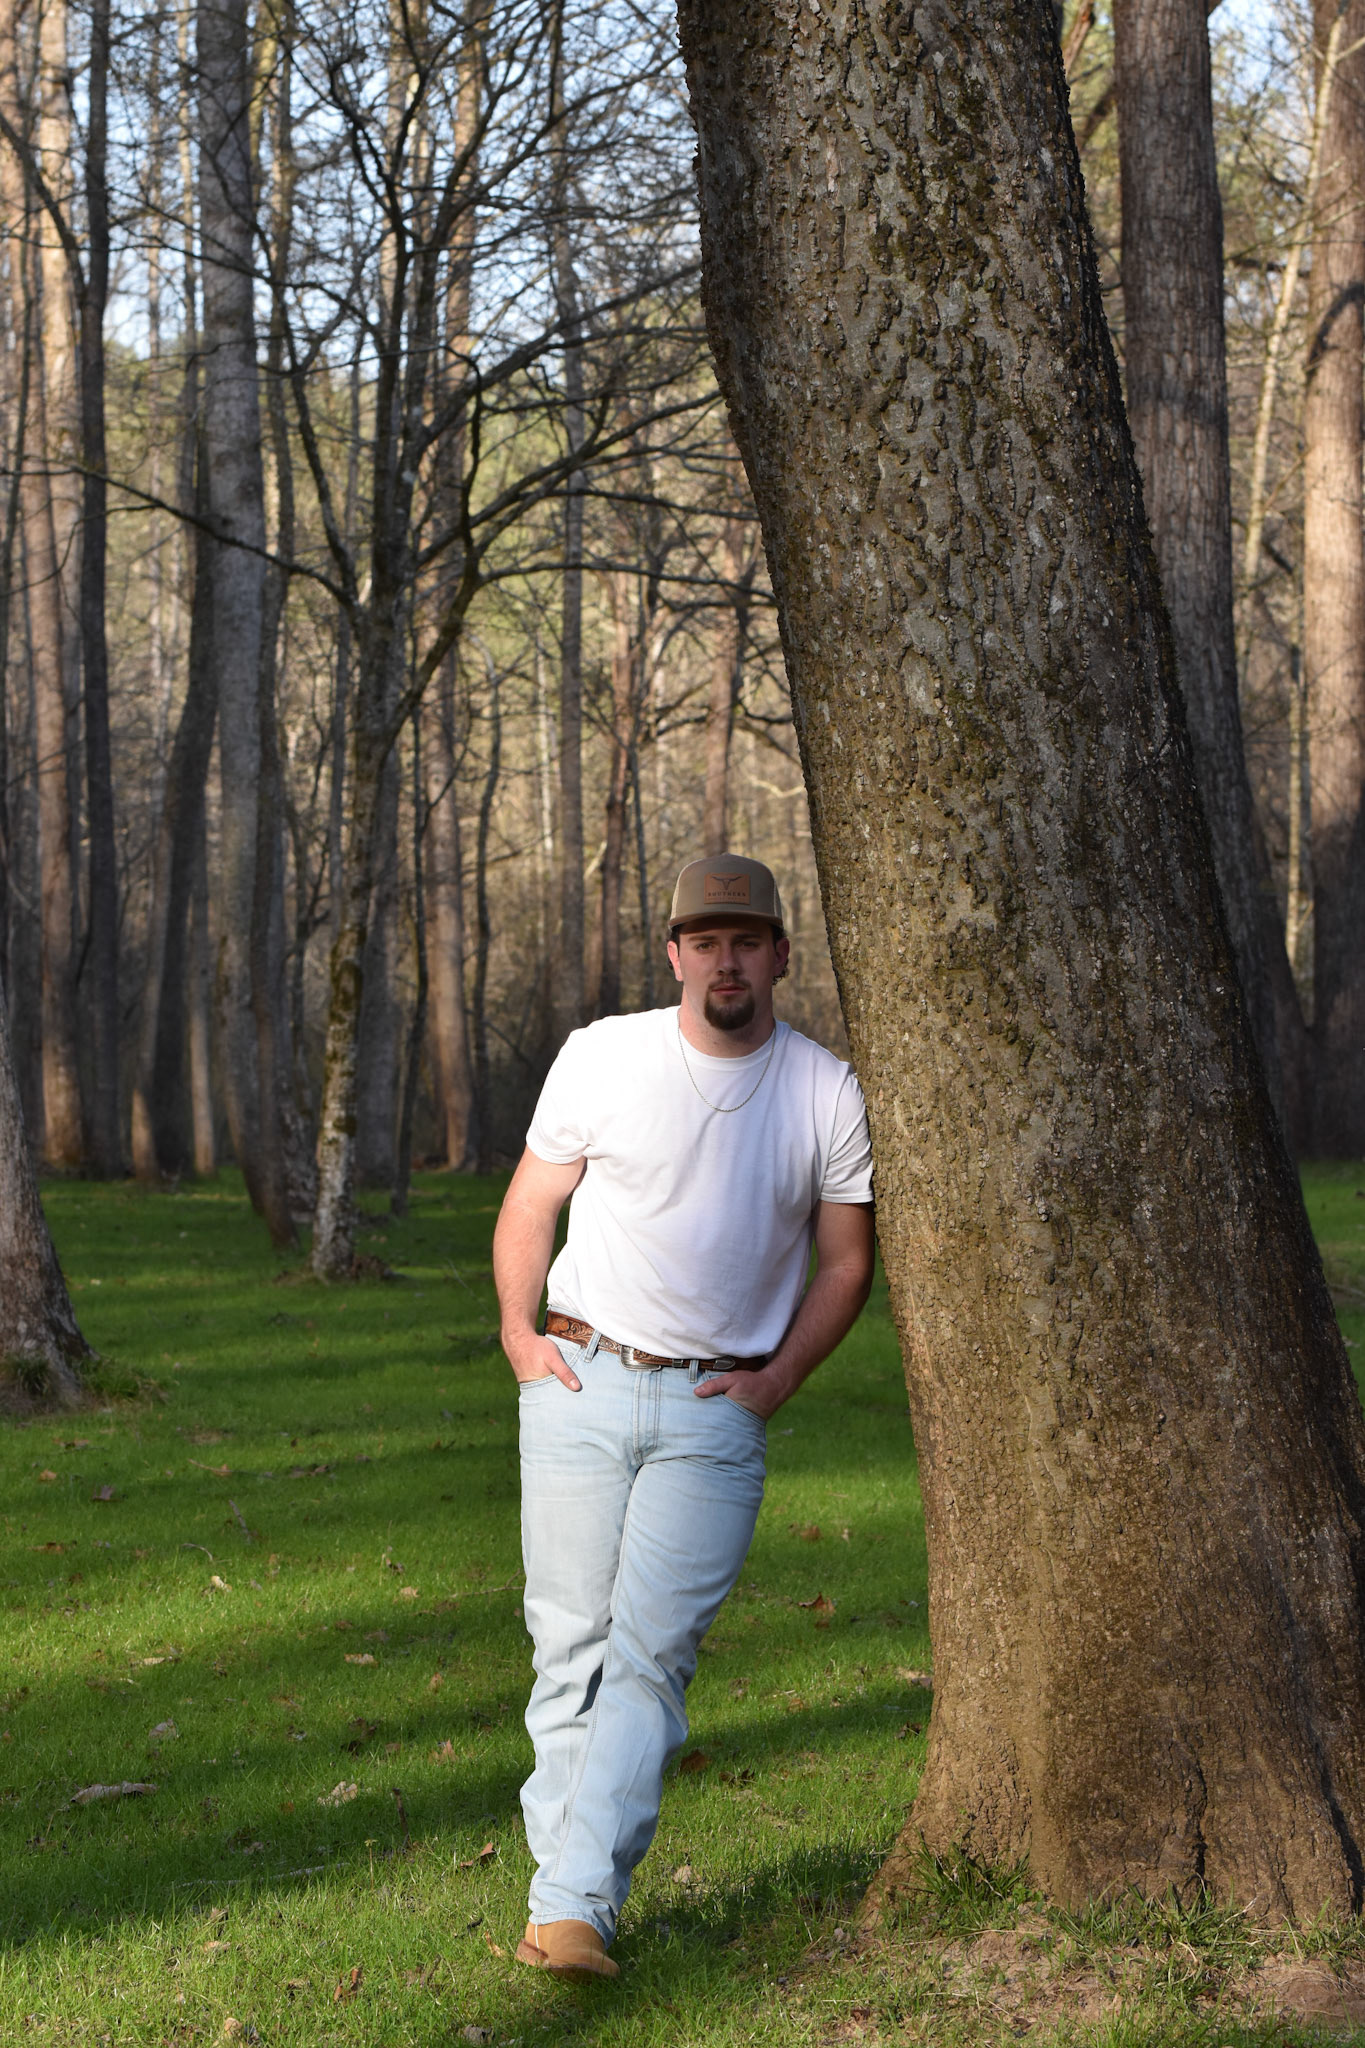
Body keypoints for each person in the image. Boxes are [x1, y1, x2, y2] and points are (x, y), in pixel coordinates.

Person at [493, 853, 875, 1982]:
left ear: (780, 955)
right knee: (568, 1647)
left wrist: (778, 1380)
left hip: (717, 1405)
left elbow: (846, 1262)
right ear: (673, 954)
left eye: (745, 941)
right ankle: (564, 1900)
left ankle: (573, 1905)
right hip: (578, 1377)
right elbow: (531, 1202)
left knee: (651, 1654)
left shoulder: (826, 1090)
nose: (725, 961)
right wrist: (518, 1335)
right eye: (704, 942)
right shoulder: (603, 1055)